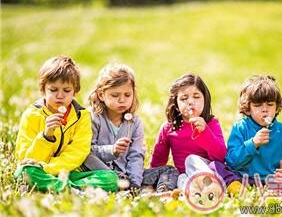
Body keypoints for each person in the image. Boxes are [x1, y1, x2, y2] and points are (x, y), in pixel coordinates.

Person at [15, 56, 118, 193]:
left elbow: (78, 152)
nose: (60, 96)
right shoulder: (31, 115)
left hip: (69, 172)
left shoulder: (82, 116)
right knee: (25, 172)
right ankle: (74, 190)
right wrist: (46, 136)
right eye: (53, 90)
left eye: (66, 90)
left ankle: (60, 187)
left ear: (75, 91)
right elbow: (26, 159)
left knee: (111, 178)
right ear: (43, 90)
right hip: (38, 170)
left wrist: (50, 169)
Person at [82, 64, 179, 193]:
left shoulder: (134, 122)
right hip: (103, 175)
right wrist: (112, 151)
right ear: (101, 95)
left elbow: (136, 155)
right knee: (88, 159)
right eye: (115, 95)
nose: (122, 100)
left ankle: (162, 193)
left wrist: (135, 183)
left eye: (127, 95)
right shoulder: (93, 118)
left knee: (169, 171)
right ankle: (123, 187)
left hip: (129, 176)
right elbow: (87, 152)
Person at [150, 74, 241, 195]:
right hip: (188, 177)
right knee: (181, 178)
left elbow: (220, 157)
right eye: (184, 99)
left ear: (205, 100)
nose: (190, 102)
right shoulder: (168, 128)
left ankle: (210, 187)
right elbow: (158, 161)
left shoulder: (211, 124)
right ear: (176, 104)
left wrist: (205, 132)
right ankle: (193, 194)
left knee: (191, 159)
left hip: (209, 172)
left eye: (196, 97)